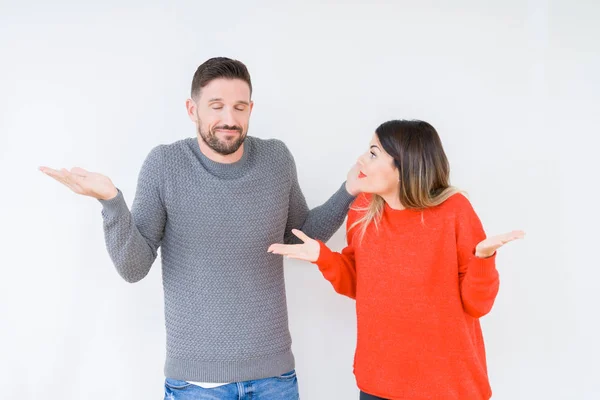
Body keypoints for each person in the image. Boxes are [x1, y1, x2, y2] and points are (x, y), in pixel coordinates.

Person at [40, 57, 360, 400]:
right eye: (216, 106)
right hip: (196, 385)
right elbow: (134, 267)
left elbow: (301, 236)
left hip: (274, 378)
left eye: (239, 107)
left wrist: (349, 190)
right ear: (192, 109)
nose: (229, 119)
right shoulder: (164, 165)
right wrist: (111, 201)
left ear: (251, 108)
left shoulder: (276, 159)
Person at [268, 119, 524, 400]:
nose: (361, 159)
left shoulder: (454, 211)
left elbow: (477, 305)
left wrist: (483, 258)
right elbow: (359, 285)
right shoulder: (364, 208)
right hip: (380, 384)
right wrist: (323, 257)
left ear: (405, 166)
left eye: (374, 153)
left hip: (447, 387)